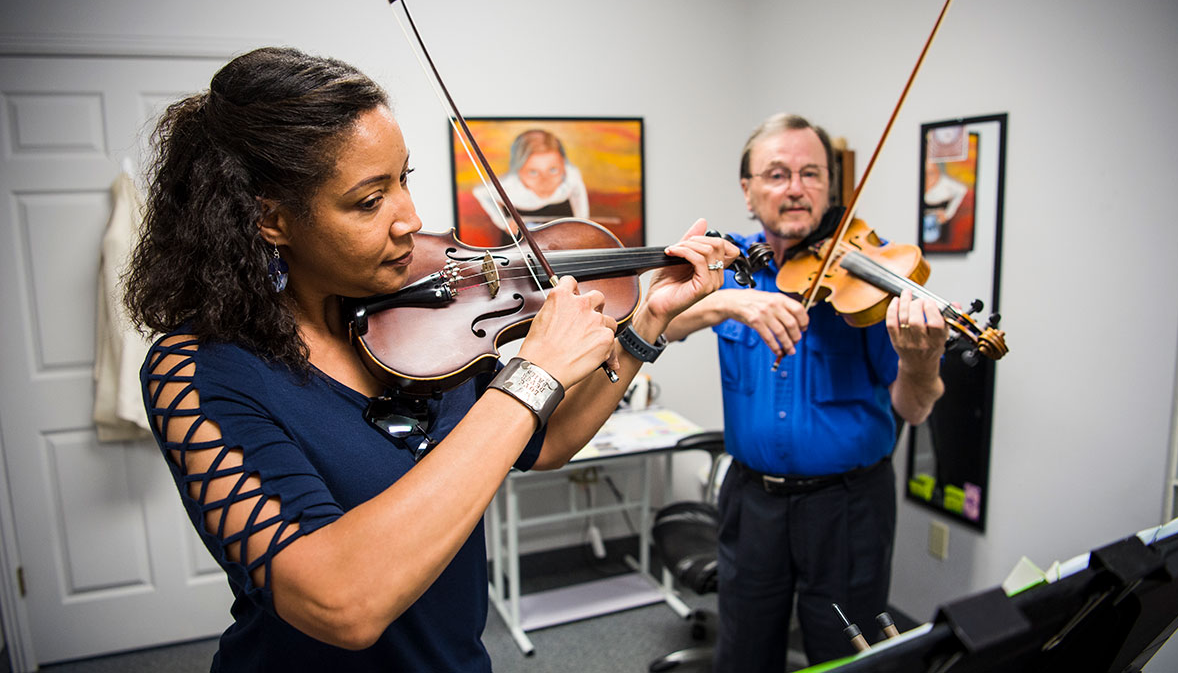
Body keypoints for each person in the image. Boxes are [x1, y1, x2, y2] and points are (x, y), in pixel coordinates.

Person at [122, 46, 737, 672]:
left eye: (404, 179)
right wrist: (533, 374)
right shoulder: (198, 370)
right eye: (368, 201)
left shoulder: (414, 322)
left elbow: (544, 440)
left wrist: (647, 321)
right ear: (272, 220)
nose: (411, 220)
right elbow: (340, 602)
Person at [664, 113, 949, 669]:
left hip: (848, 508)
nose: (795, 188)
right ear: (748, 191)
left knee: (846, 656)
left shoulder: (871, 274)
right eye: (776, 174)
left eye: (811, 174)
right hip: (751, 502)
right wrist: (729, 303)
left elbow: (913, 409)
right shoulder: (729, 265)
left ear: (828, 188)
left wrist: (923, 360)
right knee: (744, 652)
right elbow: (665, 324)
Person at [472, 128, 589, 237]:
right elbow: (480, 192)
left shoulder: (571, 175)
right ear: (518, 170)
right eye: (533, 172)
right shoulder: (510, 185)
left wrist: (583, 222)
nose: (545, 181)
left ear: (563, 164)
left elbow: (578, 192)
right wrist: (504, 223)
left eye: (553, 170)